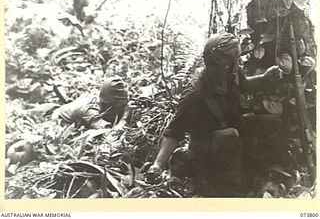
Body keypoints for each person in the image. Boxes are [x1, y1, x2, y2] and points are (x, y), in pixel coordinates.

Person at [148, 32, 288, 197]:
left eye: (235, 60)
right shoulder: (195, 94)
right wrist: (157, 164)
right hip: (209, 144)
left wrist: (265, 78)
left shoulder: (232, 73)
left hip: (234, 127)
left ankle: (270, 171)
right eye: (229, 63)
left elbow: (244, 85)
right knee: (234, 172)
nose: (235, 65)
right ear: (215, 65)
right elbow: (174, 133)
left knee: (273, 124)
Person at [53, 77, 129, 130]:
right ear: (111, 101)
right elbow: (109, 134)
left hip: (74, 108)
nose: (126, 101)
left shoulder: (103, 97)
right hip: (61, 119)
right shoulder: (90, 111)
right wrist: (125, 117)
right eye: (122, 100)